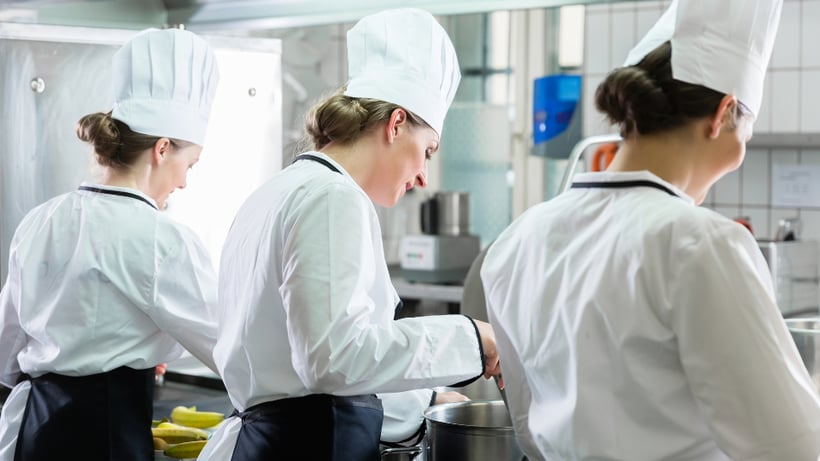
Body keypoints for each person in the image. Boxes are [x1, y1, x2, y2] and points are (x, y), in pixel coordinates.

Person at [481, 1, 820, 460]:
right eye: (748, 127)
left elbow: (528, 424)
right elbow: (791, 447)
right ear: (722, 114)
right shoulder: (703, 245)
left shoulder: (518, 240)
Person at [198, 8, 501, 461]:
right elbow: (333, 360)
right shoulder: (331, 199)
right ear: (396, 124)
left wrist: (423, 400)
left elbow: (308, 371)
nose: (423, 176)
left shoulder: (282, 189)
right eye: (427, 151)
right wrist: (475, 338)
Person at [0, 28, 221, 461]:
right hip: (104, 435)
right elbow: (228, 350)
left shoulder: (40, 219)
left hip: (32, 429)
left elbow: (7, 344)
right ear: (161, 149)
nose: (184, 182)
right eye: (188, 164)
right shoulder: (163, 237)